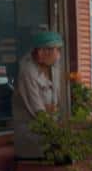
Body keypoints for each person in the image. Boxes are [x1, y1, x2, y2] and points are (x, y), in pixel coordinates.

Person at [12, 30, 63, 159]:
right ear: (41, 52)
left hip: (49, 133)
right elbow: (38, 110)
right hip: (31, 136)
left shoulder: (53, 67)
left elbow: (58, 98)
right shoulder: (27, 71)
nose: (58, 55)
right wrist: (58, 133)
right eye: (56, 50)